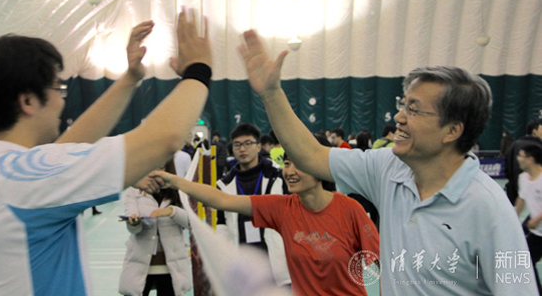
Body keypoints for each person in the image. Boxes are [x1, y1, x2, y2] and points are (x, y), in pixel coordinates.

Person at [238, 29, 538, 295]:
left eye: (414, 109)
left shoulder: (489, 209)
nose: (398, 117)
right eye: (402, 104)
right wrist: (271, 94)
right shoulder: (389, 168)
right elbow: (311, 155)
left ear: (452, 130)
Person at [0, 8, 212, 296]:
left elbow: (64, 150)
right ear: (28, 101)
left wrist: (130, 79)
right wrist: (198, 69)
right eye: (57, 88)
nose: (61, 102)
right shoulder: (27, 178)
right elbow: (165, 138)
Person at [153, 153, 380, 296]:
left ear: (319, 168)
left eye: (298, 164)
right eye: (287, 164)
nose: (289, 172)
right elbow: (222, 200)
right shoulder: (282, 208)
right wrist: (175, 181)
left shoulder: (350, 209)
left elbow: (379, 262)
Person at [216, 123, 290, 287]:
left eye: (248, 143)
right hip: (243, 268)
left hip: (277, 264)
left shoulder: (278, 177)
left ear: (258, 147)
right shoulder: (224, 185)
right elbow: (221, 224)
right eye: (237, 145)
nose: (242, 149)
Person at [119, 159, 191, 296]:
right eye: (152, 166)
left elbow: (189, 223)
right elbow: (133, 228)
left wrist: (172, 212)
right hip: (141, 263)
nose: (156, 172)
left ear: (168, 169)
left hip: (170, 266)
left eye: (161, 167)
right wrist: (134, 222)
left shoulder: (179, 190)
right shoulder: (134, 191)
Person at [514, 143, 542, 294]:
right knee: (526, 261)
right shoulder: (523, 178)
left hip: (537, 225)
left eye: (521, 156)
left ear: (530, 159)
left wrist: (536, 219)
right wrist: (513, 217)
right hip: (538, 234)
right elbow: (522, 199)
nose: (518, 159)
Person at [505, 121, 542, 204]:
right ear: (534, 131)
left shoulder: (514, 144)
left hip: (514, 192)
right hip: (536, 195)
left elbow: (507, 166)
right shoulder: (539, 146)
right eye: (541, 129)